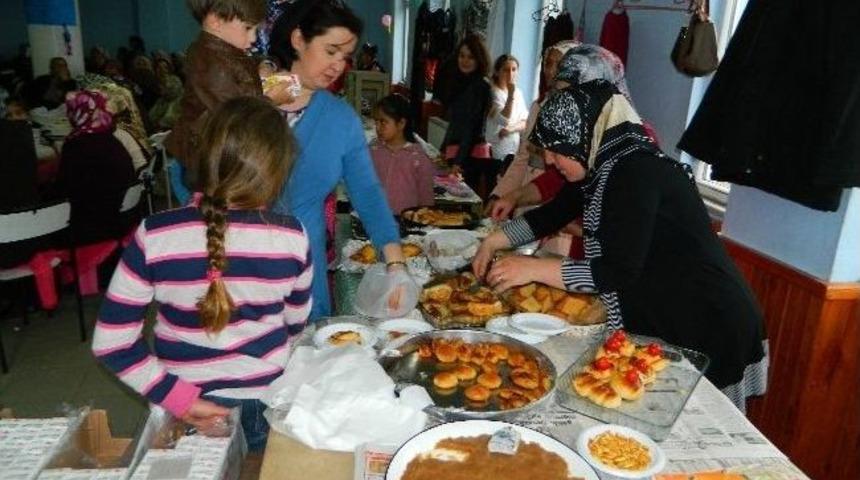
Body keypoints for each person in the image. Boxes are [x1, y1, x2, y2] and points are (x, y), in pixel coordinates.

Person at [473, 80, 768, 411]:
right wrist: (494, 240)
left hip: (708, 319)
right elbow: (553, 214)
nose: (552, 162)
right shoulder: (600, 166)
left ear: (585, 137)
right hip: (672, 308)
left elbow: (617, 271)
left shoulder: (635, 173)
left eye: (557, 150)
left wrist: (534, 268)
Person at [92, 97, 312, 452]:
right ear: (277, 171)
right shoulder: (292, 237)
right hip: (262, 400)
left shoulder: (155, 233)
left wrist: (180, 399)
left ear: (203, 158)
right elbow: (295, 326)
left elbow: (111, 344)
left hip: (181, 401)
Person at [268, 0, 406, 319]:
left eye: (344, 57)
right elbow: (189, 171)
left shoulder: (341, 119)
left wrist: (396, 262)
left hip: (305, 262)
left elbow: (368, 193)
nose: (338, 66)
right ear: (298, 39)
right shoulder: (248, 99)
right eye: (330, 51)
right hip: (242, 261)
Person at [166, 0, 294, 197]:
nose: (253, 38)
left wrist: (263, 66)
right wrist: (270, 100)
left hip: (213, 156)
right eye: (248, 28)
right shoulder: (210, 64)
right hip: (204, 162)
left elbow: (244, 70)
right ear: (216, 21)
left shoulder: (223, 50)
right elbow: (233, 115)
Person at [55, 90, 137, 244]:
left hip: (97, 227)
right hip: (124, 216)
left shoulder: (75, 145)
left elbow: (63, 189)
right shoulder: (112, 139)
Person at [438, 33, 493, 200]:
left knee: (462, 204)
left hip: (470, 156)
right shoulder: (460, 82)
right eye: (462, 56)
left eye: (471, 57)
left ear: (479, 59)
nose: (465, 61)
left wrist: (458, 163)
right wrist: (443, 148)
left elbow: (472, 127)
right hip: (459, 152)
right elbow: (455, 123)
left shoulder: (480, 86)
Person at [370, 94, 435, 215]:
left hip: (406, 223)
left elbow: (426, 198)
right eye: (376, 122)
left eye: (383, 122)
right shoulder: (373, 151)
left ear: (401, 124)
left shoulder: (418, 158)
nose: (377, 127)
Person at [486, 54, 528, 177]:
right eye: (506, 70)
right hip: (494, 152)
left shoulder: (519, 93)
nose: (510, 74)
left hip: (513, 150)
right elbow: (504, 119)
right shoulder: (492, 93)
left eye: (514, 69)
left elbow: (525, 121)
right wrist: (510, 95)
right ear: (498, 72)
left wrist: (511, 129)